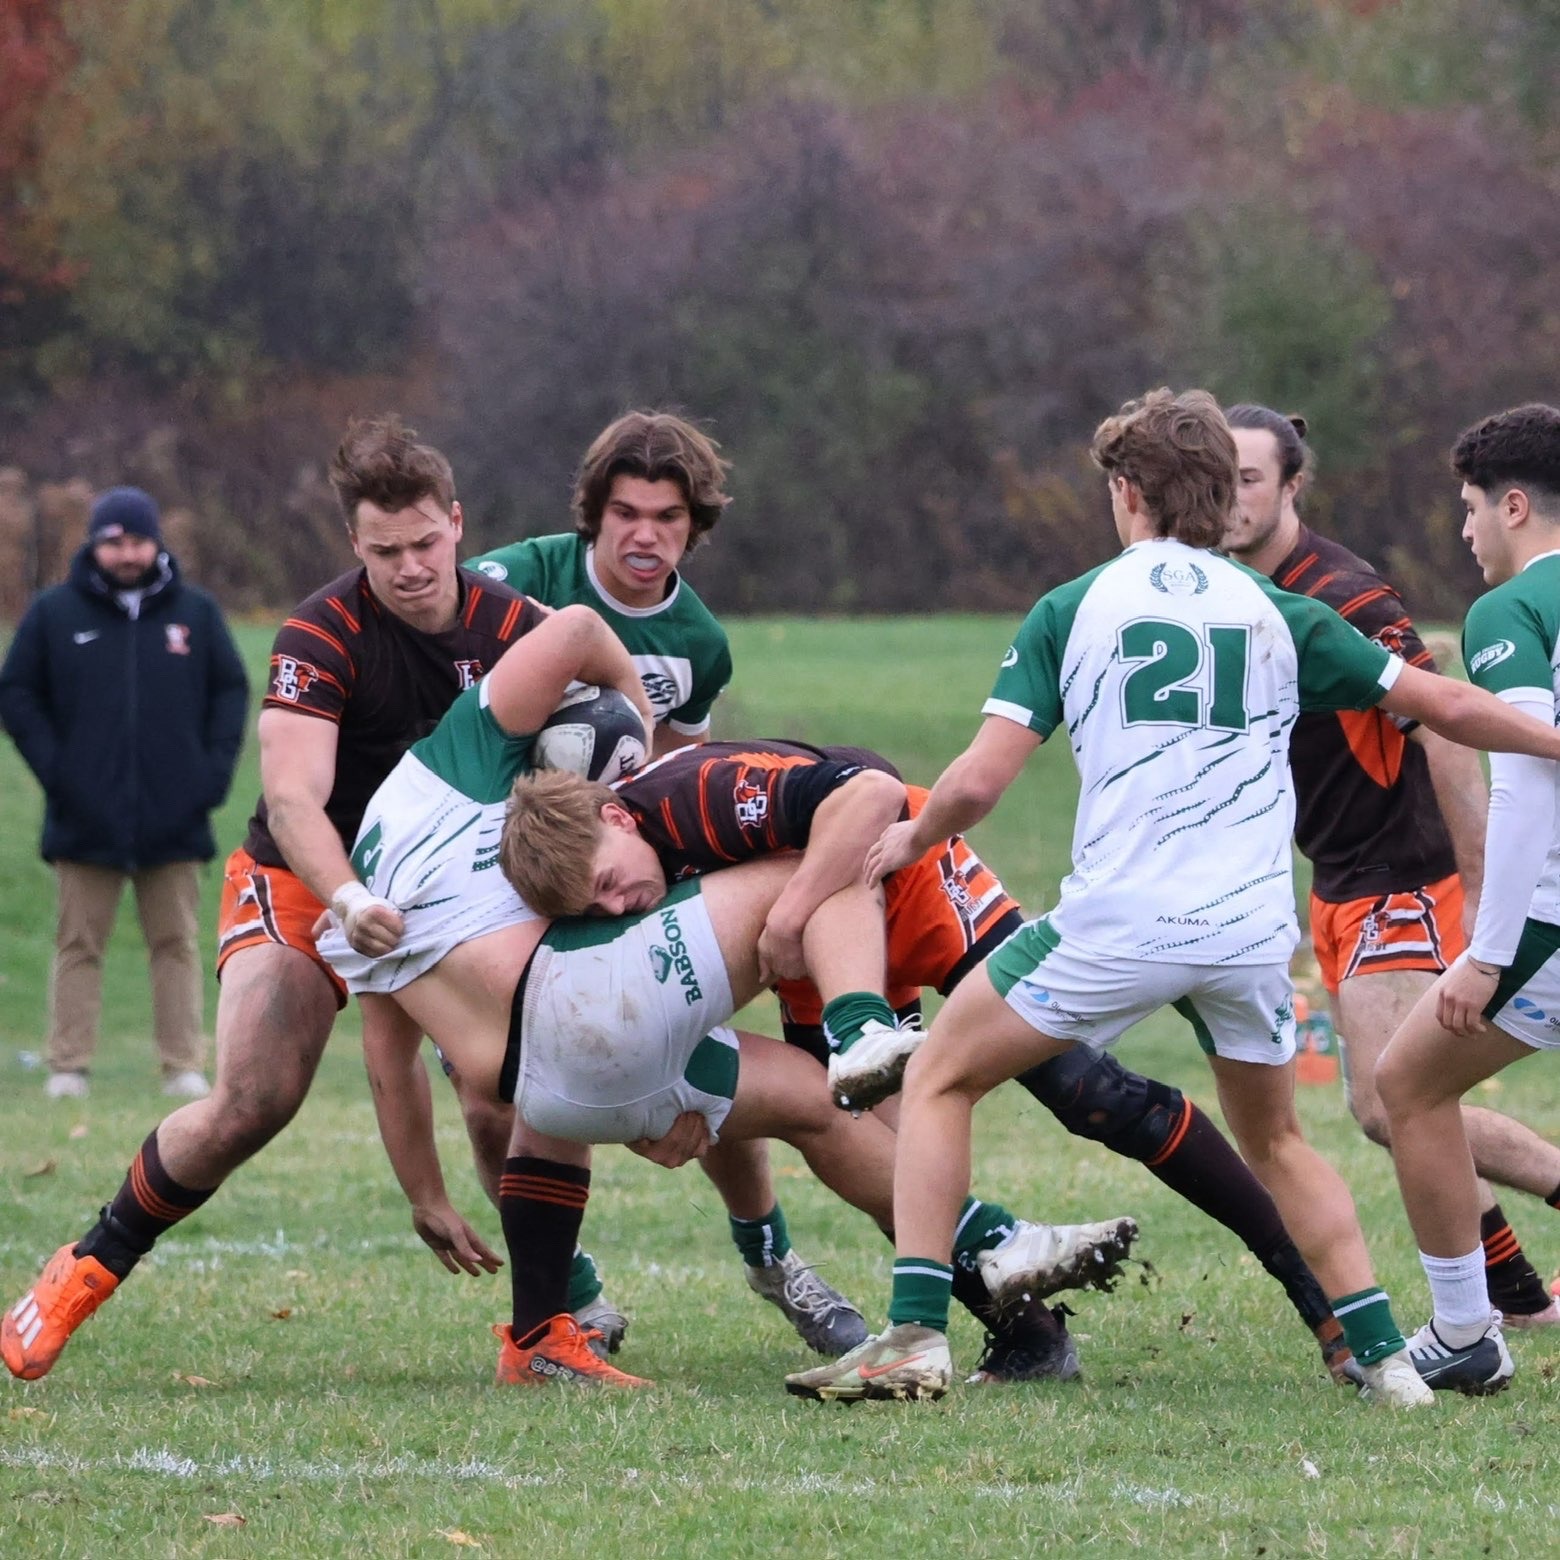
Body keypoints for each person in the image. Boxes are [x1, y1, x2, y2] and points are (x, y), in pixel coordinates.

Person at [783, 387, 1560, 1409]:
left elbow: (975, 784)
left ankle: (914, 1337)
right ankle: (1387, 1363)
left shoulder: (1077, 606)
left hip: (1121, 922)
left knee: (936, 1081)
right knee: (1279, 1140)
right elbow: (1443, 703)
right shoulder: (1280, 610)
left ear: (1126, 492)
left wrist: (911, 836)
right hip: (1248, 932)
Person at [316, 672, 1136, 1390]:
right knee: (826, 862)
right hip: (582, 1015)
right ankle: (860, 1034)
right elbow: (573, 631)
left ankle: (545, 1334)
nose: (616, 901)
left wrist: (429, 1190)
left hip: (549, 1090)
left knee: (818, 1107)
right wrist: (633, 701)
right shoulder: (469, 789)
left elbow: (400, 1062)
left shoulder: (373, 896)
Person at [0, 416, 580, 1383]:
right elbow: (293, 798)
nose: (409, 567)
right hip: (310, 880)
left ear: (458, 524)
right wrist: (347, 899)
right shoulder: (322, 631)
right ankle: (87, 1264)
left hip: (448, 890)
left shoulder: (513, 628)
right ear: (355, 545)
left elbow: (587, 686)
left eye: (427, 543)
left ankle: (546, 1330)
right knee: (253, 1100)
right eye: (385, 550)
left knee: (511, 1085)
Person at [504, 742, 1369, 1384]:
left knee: (1087, 1091)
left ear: (617, 816)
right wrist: (674, 1114)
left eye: (613, 881)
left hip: (909, 877)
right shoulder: (613, 889)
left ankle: (1311, 1287)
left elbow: (869, 792)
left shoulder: (689, 792)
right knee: (881, 1156)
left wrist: (790, 911)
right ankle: (1029, 1337)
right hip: (826, 946)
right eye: (601, 906)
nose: (624, 904)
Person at [467, 412, 863, 1355]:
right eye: (627, 513)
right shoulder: (510, 583)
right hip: (497, 877)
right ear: (592, 517)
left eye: (669, 518)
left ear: (695, 526)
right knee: (494, 1099)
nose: (646, 535)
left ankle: (770, 1257)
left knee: (699, 1050)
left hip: (625, 871)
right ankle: (570, 1296)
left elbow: (674, 771)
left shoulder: (699, 640)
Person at [1223, 403, 1560, 1329]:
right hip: (1340, 876)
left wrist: (1487, 894)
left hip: (1400, 873)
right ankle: (1513, 1300)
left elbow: (1448, 723)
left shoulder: (1342, 591)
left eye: (1250, 478)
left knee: (1392, 1098)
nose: (1232, 498)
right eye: (1219, 479)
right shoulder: (1223, 589)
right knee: (1405, 1098)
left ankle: (1482, 1313)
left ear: (1293, 485)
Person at [1378, 403, 1560, 1396]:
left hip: (1551, 921)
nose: (1465, 531)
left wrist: (1488, 949)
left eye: (1471, 508)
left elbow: (1525, 778)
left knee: (1407, 1087)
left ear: (1517, 504)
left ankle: (1464, 1333)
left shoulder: (1514, 613)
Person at [0, 487, 249, 1100]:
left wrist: (208, 779)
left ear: (156, 543)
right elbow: (17, 694)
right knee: (78, 943)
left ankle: (184, 1066)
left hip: (175, 816)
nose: (127, 552)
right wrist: (61, 774)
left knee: (176, 944)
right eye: (114, 541)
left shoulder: (196, 614)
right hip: (84, 817)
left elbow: (230, 692)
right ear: (94, 544)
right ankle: (67, 1067)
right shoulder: (55, 614)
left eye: (137, 540)